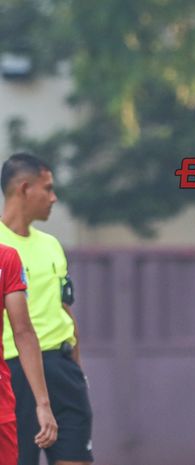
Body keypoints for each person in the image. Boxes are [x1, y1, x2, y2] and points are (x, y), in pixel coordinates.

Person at [0, 153, 93, 465]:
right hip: (15, 372)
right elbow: (21, 329)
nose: (54, 198)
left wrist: (75, 369)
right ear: (24, 189)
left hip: (61, 368)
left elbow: (64, 308)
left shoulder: (52, 245)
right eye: (48, 188)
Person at [0, 243, 58, 464]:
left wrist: (43, 404)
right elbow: (23, 332)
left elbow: (23, 332)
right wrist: (43, 405)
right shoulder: (5, 257)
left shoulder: (6, 257)